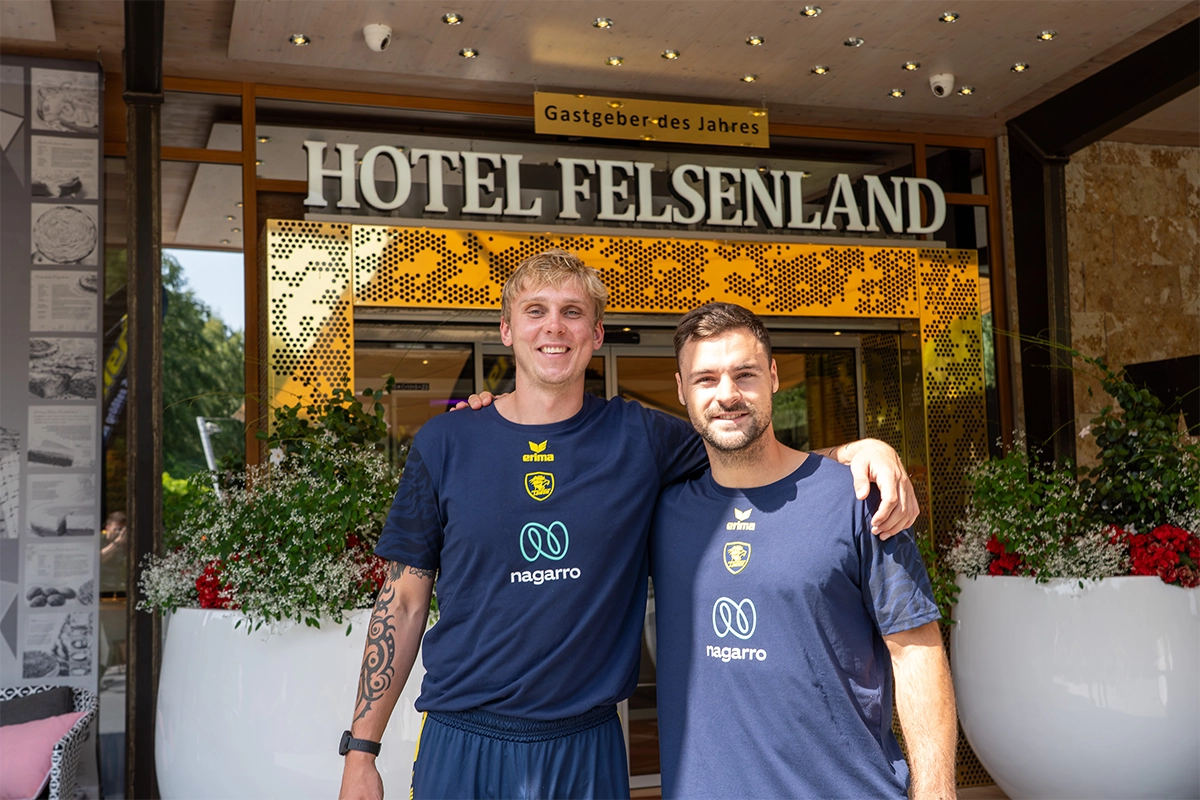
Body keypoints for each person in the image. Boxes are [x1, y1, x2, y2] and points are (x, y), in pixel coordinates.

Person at [337, 250, 919, 800]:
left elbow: (746, 450)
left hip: (587, 743)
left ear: (596, 335)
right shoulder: (446, 442)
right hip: (465, 737)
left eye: (573, 313)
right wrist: (361, 750)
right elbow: (404, 601)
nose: (553, 328)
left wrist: (857, 450)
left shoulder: (638, 436)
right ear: (507, 330)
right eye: (535, 311)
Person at [651, 302, 957, 800]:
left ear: (773, 376)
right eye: (705, 379)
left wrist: (937, 794)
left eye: (744, 373)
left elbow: (917, 651)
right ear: (682, 389)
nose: (726, 394)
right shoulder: (663, 511)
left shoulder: (856, 498)